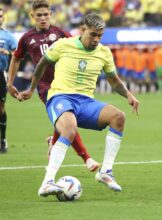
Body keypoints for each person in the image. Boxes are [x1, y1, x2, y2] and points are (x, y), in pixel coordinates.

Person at [18, 13, 139, 197]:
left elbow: (113, 81)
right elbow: (42, 64)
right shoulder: (63, 45)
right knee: (69, 128)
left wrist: (128, 95)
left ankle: (105, 172)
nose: (96, 39)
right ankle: (47, 182)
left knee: (118, 117)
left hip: (85, 102)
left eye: (100, 35)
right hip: (60, 97)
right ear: (83, 30)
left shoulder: (104, 52)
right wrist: (31, 88)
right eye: (93, 34)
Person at [7, 0, 99, 171]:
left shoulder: (61, 33)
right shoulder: (27, 38)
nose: (42, 18)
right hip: (46, 88)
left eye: (45, 14)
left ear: (51, 14)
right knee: (67, 121)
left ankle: (53, 142)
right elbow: (16, 58)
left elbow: (78, 50)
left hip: (67, 84)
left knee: (65, 121)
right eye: (39, 15)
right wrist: (10, 83)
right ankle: (87, 158)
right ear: (32, 16)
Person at [0, 7, 18, 153]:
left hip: (0, 74)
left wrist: (8, 52)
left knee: (0, 108)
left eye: (0, 16)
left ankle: (3, 140)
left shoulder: (8, 36)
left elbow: (17, 53)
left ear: (3, 18)